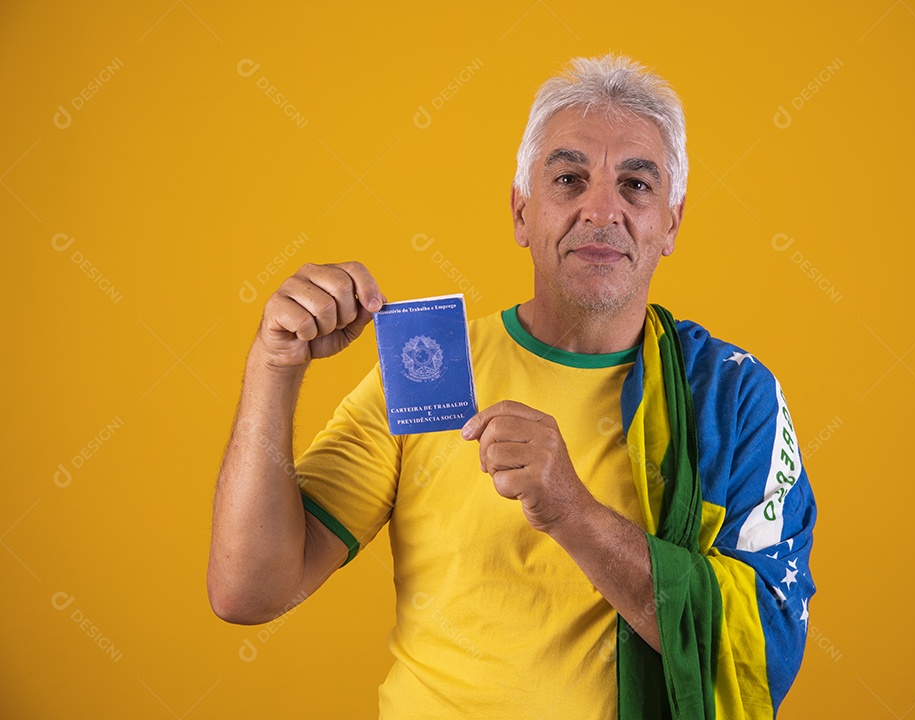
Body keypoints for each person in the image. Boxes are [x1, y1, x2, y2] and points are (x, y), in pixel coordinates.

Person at [208, 54, 817, 719]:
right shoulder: (432, 365)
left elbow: (761, 654)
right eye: (568, 178)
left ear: (671, 221)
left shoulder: (731, 397)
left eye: (637, 185)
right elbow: (248, 590)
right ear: (522, 213)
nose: (602, 210)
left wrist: (570, 511)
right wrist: (275, 368)